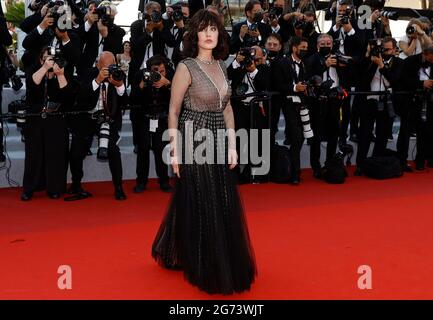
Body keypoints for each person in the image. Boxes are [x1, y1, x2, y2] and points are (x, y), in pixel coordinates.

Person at [152, 9, 256, 295]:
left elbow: (228, 107)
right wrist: (174, 151)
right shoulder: (186, 67)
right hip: (192, 135)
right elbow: (173, 111)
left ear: (220, 35)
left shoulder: (223, 66)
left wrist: (233, 145)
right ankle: (205, 262)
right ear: (194, 35)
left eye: (213, 29)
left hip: (219, 136)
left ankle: (180, 247)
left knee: (219, 195)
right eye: (203, 29)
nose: (209, 34)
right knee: (203, 196)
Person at [68, 51, 128, 200]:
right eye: (106, 67)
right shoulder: (88, 74)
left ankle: (118, 187)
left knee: (114, 150)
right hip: (87, 118)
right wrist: (97, 80)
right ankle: (76, 183)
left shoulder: (118, 74)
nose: (110, 70)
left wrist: (120, 86)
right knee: (76, 152)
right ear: (98, 65)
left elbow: (125, 102)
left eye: (112, 65)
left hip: (108, 119)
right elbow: (81, 99)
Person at [21, 47, 72, 201]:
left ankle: (54, 188)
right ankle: (29, 188)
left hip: (56, 120)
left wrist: (60, 74)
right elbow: (32, 84)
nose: (51, 60)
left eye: (53, 57)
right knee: (33, 155)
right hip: (35, 119)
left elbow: (67, 96)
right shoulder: (35, 69)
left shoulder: (62, 71)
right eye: (47, 57)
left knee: (56, 154)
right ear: (41, 59)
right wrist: (44, 68)